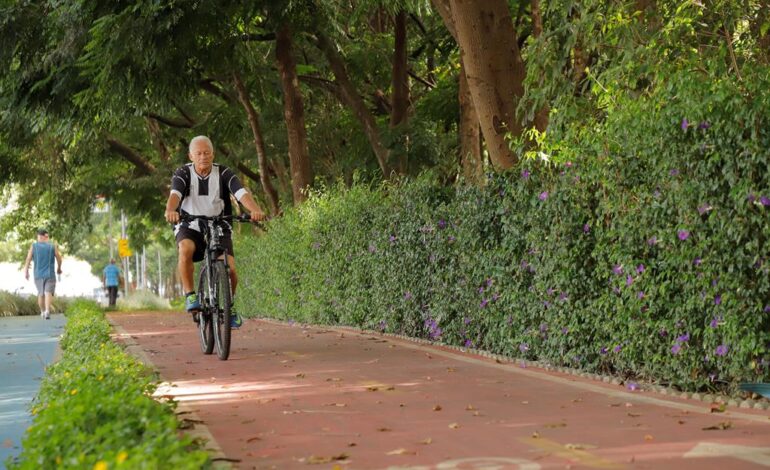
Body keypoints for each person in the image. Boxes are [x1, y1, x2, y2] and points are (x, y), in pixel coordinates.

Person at [164, 135, 266, 328]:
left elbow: (241, 193)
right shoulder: (183, 173)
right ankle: (190, 295)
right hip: (190, 223)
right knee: (185, 249)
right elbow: (175, 195)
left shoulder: (224, 173)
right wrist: (170, 210)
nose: (203, 157)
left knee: (231, 269)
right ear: (191, 156)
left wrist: (255, 210)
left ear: (213, 154)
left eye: (207, 153)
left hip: (219, 224)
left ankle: (229, 306)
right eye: (199, 153)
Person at [22, 228, 63, 320]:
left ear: (39, 237)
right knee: (48, 292)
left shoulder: (34, 246)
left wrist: (26, 271)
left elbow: (28, 258)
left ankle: (43, 311)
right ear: (46, 236)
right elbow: (59, 258)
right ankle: (47, 311)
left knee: (41, 293)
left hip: (38, 274)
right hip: (50, 274)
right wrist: (59, 268)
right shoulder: (52, 246)